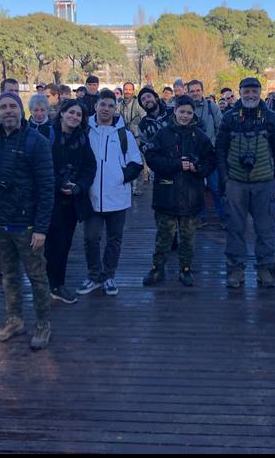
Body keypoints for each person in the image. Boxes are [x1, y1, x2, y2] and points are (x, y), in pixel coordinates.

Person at [0, 91, 55, 349]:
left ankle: (43, 324)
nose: (8, 111)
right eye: (3, 107)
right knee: (9, 275)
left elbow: (47, 188)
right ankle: (14, 319)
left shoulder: (36, 142)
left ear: (21, 111)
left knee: (37, 276)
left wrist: (41, 228)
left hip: (27, 225)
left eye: (12, 106)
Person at [216, 76, 275, 288]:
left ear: (260, 92)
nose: (250, 95)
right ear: (239, 92)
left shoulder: (271, 117)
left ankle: (264, 268)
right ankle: (236, 269)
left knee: (266, 228)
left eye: (254, 91)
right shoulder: (229, 117)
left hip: (264, 182)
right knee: (235, 228)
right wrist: (225, 178)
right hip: (235, 182)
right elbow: (220, 149)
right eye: (246, 91)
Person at [142, 95, 216, 287]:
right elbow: (151, 157)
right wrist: (176, 164)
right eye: (182, 111)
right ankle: (157, 268)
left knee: (188, 238)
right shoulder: (162, 134)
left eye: (189, 113)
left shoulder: (200, 136)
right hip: (166, 195)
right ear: (174, 111)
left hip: (191, 197)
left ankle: (185, 269)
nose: (185, 115)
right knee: (164, 237)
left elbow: (211, 159)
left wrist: (197, 167)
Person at [78, 89, 143, 296]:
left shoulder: (124, 134)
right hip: (91, 196)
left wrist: (120, 177)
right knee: (91, 238)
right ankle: (94, 275)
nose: (106, 109)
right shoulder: (84, 131)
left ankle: (108, 276)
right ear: (95, 106)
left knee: (114, 239)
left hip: (117, 197)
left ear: (116, 108)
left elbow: (136, 163)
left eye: (110, 105)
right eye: (102, 104)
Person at [44, 99, 97, 302]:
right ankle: (47, 284)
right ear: (62, 113)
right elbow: (42, 165)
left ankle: (57, 284)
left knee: (63, 243)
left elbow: (90, 167)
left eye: (79, 114)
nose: (74, 117)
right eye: (71, 112)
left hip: (71, 200)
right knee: (47, 244)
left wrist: (79, 186)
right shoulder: (48, 134)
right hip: (49, 198)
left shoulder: (82, 138)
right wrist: (60, 183)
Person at [187, 79, 225, 226]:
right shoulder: (185, 108)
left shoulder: (211, 106)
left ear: (202, 91)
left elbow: (220, 128)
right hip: (192, 155)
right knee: (197, 189)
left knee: (215, 188)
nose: (195, 93)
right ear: (188, 93)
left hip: (210, 154)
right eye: (192, 91)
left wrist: (217, 148)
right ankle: (200, 217)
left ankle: (224, 217)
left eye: (198, 90)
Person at [117, 81, 146, 195]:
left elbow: (144, 118)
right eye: (126, 89)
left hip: (136, 137)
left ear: (133, 91)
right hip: (123, 137)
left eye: (130, 89)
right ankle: (127, 185)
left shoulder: (138, 103)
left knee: (138, 162)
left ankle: (137, 188)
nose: (127, 91)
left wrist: (136, 125)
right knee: (124, 162)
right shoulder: (119, 104)